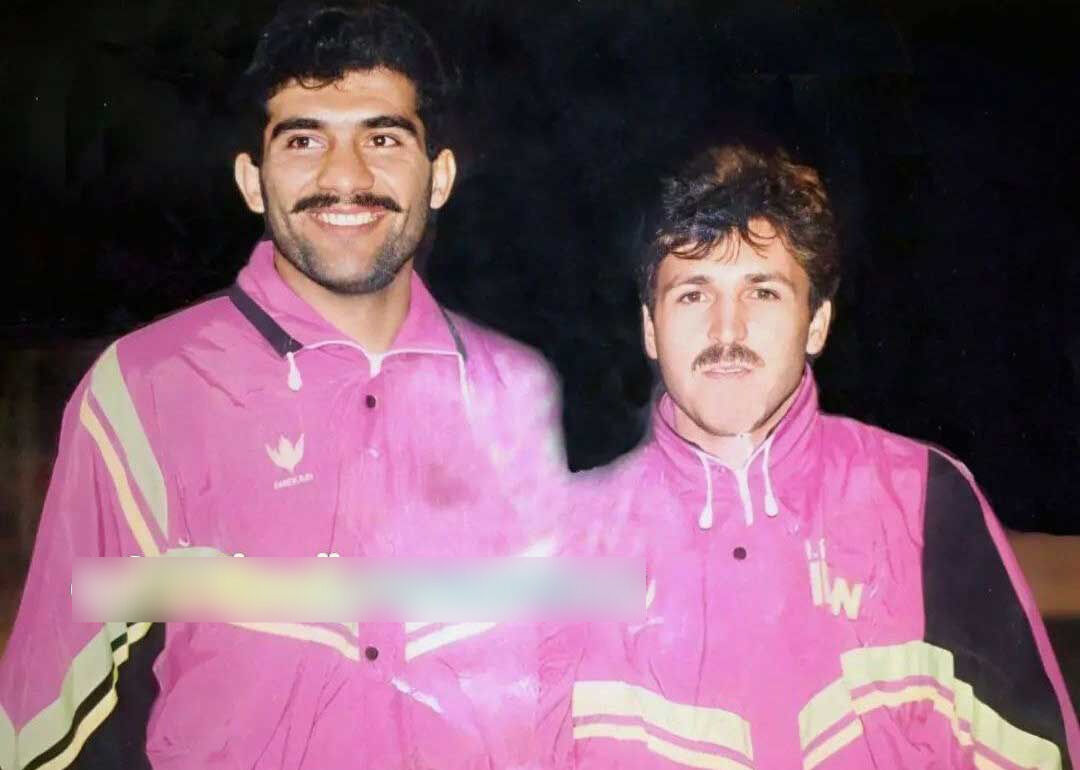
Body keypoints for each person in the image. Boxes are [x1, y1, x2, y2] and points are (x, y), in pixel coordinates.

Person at [0, 3, 567, 768]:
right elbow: (45, 715)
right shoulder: (147, 391)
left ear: (439, 178)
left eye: (383, 138)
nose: (346, 178)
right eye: (304, 140)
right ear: (252, 180)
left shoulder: (514, 394)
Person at [543, 143, 1080, 769]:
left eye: (762, 292)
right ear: (650, 329)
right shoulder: (564, 541)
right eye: (693, 294)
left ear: (817, 322)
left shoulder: (923, 501)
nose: (726, 330)